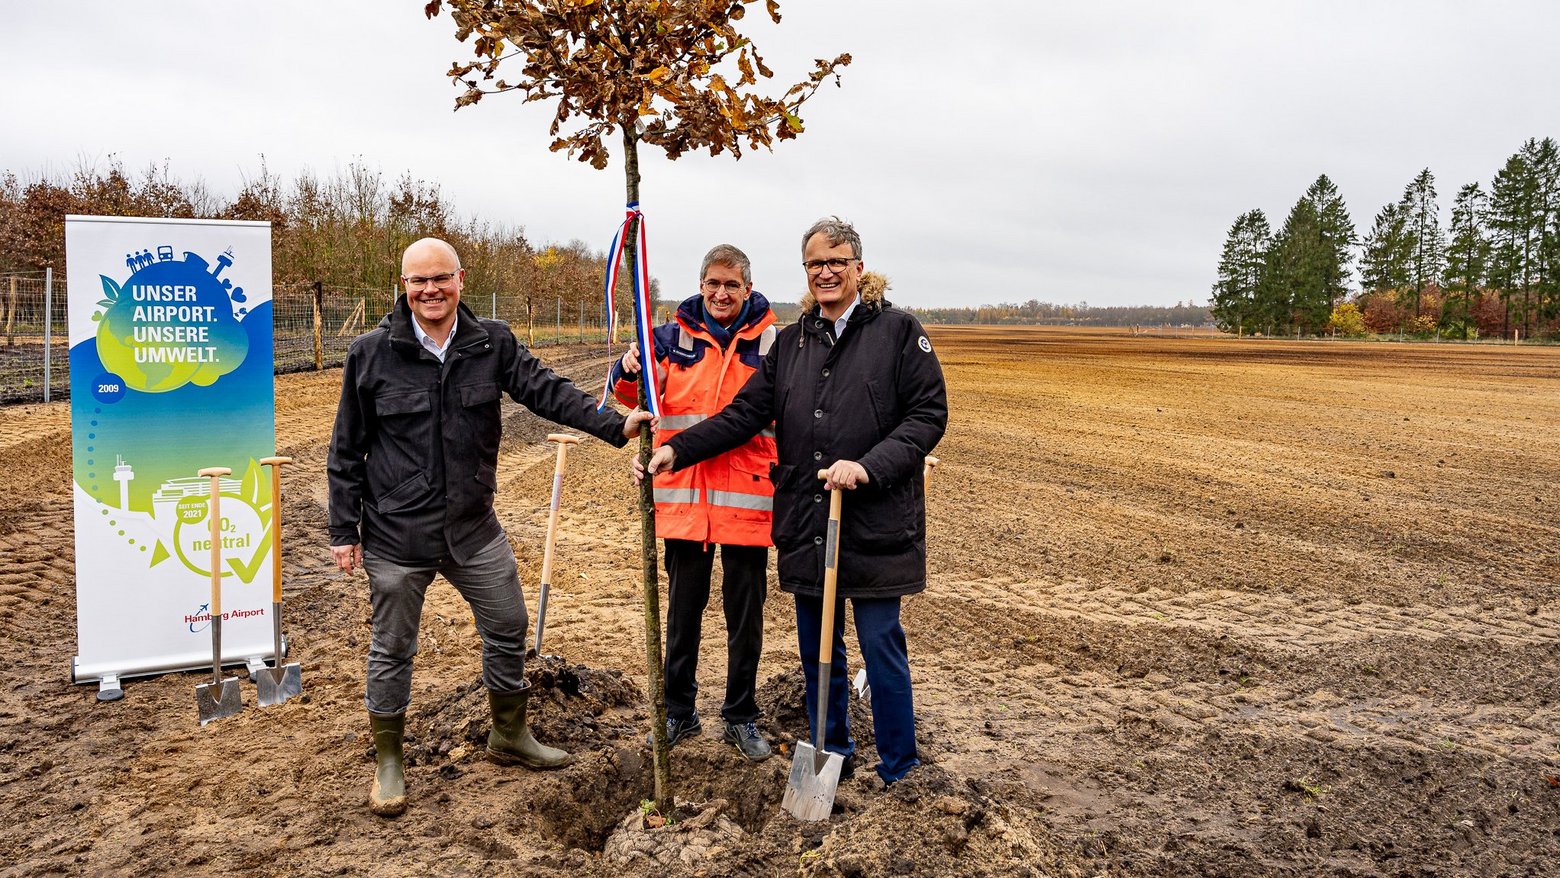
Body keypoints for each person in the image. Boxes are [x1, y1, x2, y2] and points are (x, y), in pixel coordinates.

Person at [328, 237, 652, 817]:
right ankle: (389, 760)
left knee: (508, 623)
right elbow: (346, 448)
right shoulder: (370, 353)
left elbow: (546, 391)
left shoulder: (490, 342)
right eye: (418, 281)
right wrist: (343, 530)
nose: (430, 290)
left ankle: (508, 733)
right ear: (403, 286)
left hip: (472, 525)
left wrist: (615, 424)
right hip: (397, 533)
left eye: (441, 278)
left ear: (460, 279)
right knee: (393, 645)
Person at [646, 217, 947, 785]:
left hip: (876, 522)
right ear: (806, 273)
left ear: (859, 267)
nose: (826, 272)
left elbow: (928, 415)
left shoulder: (899, 333)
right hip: (810, 523)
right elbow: (743, 415)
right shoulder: (793, 343)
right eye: (815, 264)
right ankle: (833, 755)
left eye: (837, 261)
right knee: (817, 651)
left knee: (881, 647)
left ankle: (902, 772)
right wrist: (677, 451)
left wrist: (868, 467)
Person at [610, 244, 778, 762]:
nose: (720, 293)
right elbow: (630, 395)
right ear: (700, 284)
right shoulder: (668, 338)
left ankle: (741, 715)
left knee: (744, 615)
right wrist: (629, 364)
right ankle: (678, 710)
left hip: (748, 499)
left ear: (747, 288)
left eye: (731, 285)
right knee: (682, 612)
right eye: (712, 283)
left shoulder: (774, 343)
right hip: (683, 497)